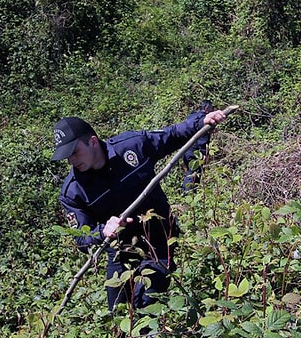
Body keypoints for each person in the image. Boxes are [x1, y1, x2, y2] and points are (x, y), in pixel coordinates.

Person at [51, 109, 227, 311]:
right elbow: (81, 239)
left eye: (74, 152)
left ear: (92, 141)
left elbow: (172, 135)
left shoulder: (132, 146)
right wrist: (102, 231)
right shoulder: (73, 192)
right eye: (66, 156)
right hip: (120, 254)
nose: (72, 161)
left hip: (160, 241)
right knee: (118, 314)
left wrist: (201, 121)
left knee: (145, 304)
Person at [181, 100, 214, 192]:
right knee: (194, 173)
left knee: (190, 172)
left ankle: (186, 193)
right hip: (195, 151)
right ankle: (188, 194)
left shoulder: (191, 117)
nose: (212, 110)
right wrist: (203, 153)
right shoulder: (204, 119)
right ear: (207, 108)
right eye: (211, 108)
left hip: (186, 149)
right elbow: (202, 139)